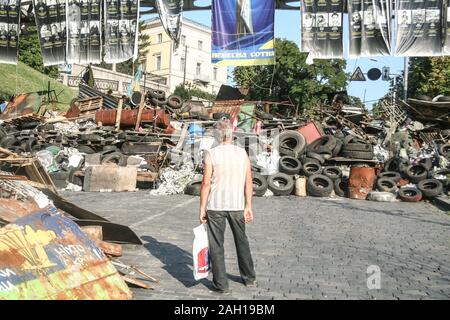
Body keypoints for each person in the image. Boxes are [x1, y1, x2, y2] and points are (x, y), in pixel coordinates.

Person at [199, 119, 256, 295]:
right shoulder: (242, 154)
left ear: (217, 135)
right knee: (242, 241)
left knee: (216, 245)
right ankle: (249, 278)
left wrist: (202, 208)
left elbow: (206, 184)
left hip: (215, 206)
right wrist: (248, 206)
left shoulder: (211, 154)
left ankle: (221, 285)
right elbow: (249, 182)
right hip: (237, 205)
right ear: (232, 134)